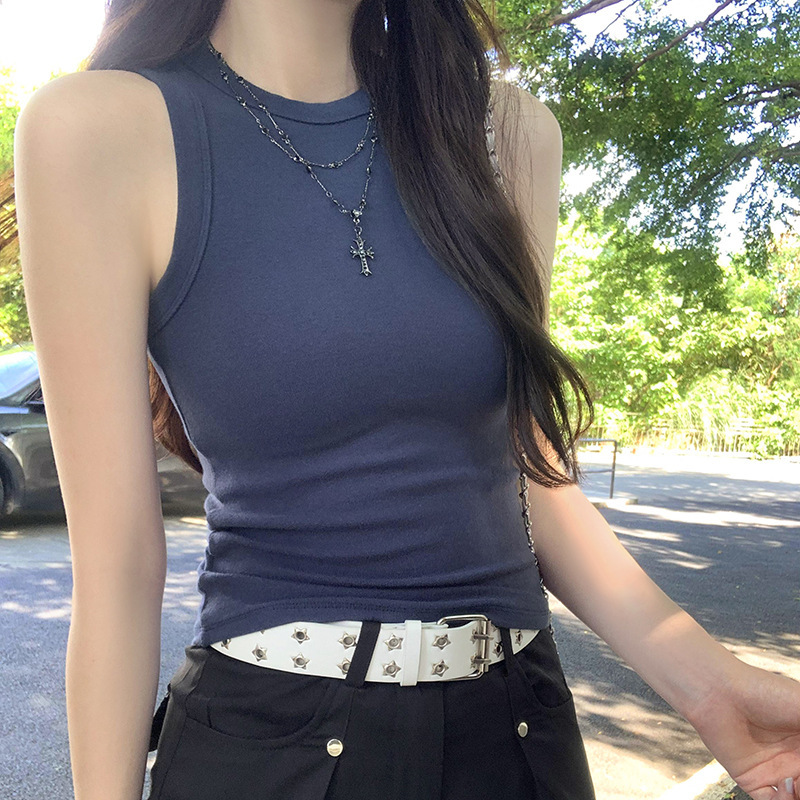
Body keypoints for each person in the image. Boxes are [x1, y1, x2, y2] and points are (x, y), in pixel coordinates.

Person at [11, 0, 800, 798]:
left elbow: (524, 478)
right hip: (270, 748)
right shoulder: (97, 128)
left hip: (519, 738)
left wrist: (714, 688)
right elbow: (116, 571)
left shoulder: (503, 131)